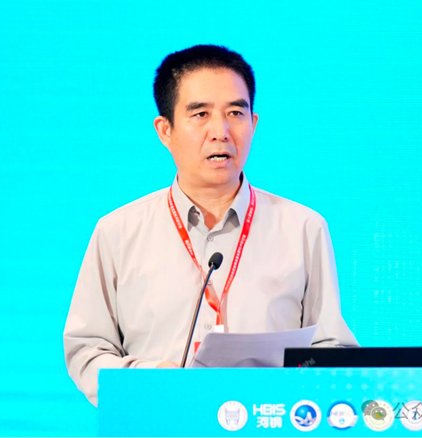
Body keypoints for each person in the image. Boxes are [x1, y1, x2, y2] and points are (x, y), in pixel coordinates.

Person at [63, 44, 358, 406]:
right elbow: (87, 351)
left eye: (236, 112)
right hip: (160, 420)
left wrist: (289, 383)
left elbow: (333, 348)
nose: (221, 131)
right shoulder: (118, 231)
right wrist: (148, 379)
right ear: (165, 130)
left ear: (254, 124)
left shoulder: (303, 228)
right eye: (200, 114)